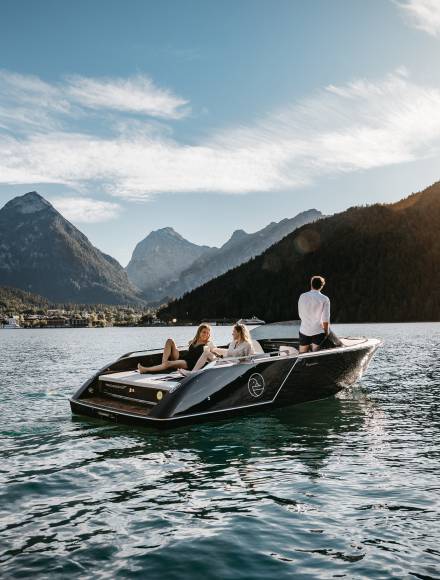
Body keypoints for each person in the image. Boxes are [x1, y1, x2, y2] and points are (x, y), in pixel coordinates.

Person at [179, 322, 255, 375]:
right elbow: (229, 354)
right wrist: (219, 355)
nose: (232, 333)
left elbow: (249, 359)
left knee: (210, 352)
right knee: (206, 352)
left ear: (239, 332)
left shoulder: (247, 344)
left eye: (234, 331)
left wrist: (215, 349)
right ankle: (193, 372)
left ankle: (193, 372)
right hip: (226, 361)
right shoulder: (233, 343)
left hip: (233, 366)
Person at [137, 324, 213, 374]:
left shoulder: (208, 344)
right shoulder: (192, 341)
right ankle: (164, 364)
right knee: (170, 340)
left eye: (207, 333)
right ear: (199, 332)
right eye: (204, 332)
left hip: (189, 364)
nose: (206, 334)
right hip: (184, 358)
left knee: (168, 363)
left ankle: (146, 369)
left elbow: (211, 354)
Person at [298, 275, 330, 353]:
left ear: (311, 284)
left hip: (304, 330)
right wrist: (326, 333)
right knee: (316, 356)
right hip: (318, 332)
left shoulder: (302, 296)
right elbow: (325, 319)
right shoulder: (325, 299)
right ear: (322, 286)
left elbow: (300, 314)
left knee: (302, 355)